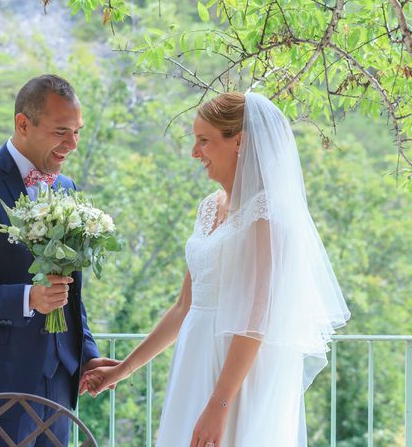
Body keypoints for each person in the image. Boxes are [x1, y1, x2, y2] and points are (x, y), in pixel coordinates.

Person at [82, 92, 350, 446]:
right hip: (194, 360)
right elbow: (184, 306)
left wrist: (219, 405)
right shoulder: (209, 207)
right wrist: (123, 369)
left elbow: (256, 322)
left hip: (236, 377)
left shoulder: (267, 217)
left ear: (238, 141)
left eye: (204, 140)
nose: (195, 153)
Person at [0, 74, 117, 446]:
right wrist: (26, 298)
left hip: (59, 380)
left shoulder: (66, 188)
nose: (72, 144)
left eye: (78, 132)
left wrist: (87, 356)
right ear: (23, 124)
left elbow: (71, 292)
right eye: (62, 131)